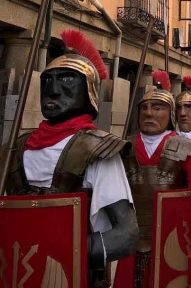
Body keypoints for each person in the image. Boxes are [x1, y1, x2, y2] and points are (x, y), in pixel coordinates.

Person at [4, 30, 138, 286]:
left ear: (88, 92)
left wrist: (64, 250)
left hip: (74, 277)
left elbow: (126, 235)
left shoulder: (98, 149)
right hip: (19, 273)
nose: (52, 90)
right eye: (47, 81)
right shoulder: (17, 147)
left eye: (66, 79)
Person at [116, 70, 191, 287]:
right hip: (131, 235)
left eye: (158, 108)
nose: (149, 113)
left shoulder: (186, 147)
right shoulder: (123, 147)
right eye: (144, 108)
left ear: (170, 115)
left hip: (173, 236)